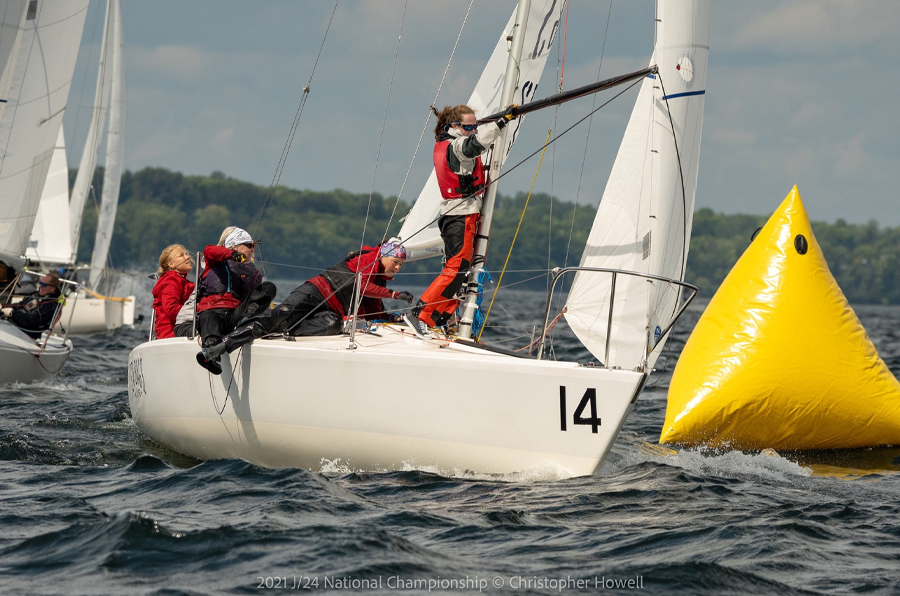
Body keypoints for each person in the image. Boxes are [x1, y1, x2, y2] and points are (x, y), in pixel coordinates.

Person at [196, 240, 415, 374]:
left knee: (334, 324)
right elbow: (361, 286)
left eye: (401, 265)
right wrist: (394, 294)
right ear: (384, 256)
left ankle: (283, 329)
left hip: (330, 308)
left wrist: (390, 318)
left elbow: (372, 310)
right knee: (281, 313)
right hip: (315, 291)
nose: (397, 267)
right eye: (395, 262)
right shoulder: (368, 259)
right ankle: (219, 348)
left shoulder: (380, 279)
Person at [414, 103, 516, 329]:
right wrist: (501, 122)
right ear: (454, 126)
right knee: (456, 268)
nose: (473, 130)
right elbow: (474, 145)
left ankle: (435, 320)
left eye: (475, 126)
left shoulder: (444, 143)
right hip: (461, 215)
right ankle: (420, 315)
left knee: (459, 271)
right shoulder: (457, 144)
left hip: (456, 214)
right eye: (469, 127)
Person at [195, 227, 276, 372]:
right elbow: (209, 250)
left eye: (254, 246)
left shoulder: (253, 272)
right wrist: (233, 255)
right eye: (249, 245)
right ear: (235, 246)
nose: (253, 249)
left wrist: (250, 269)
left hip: (236, 317)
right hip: (213, 311)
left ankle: (244, 324)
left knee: (269, 288)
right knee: (208, 316)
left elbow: (255, 297)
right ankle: (211, 354)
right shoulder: (214, 260)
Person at [151, 244, 195, 339]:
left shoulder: (185, 282)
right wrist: (196, 312)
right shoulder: (170, 281)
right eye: (181, 255)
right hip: (171, 335)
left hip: (183, 332)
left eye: (186, 254)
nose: (187, 257)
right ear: (171, 264)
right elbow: (171, 309)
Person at [4, 272, 63, 339]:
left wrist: (12, 313)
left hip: (28, 335)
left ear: (53, 289)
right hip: (14, 326)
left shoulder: (51, 305)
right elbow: (20, 305)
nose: (40, 286)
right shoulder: (35, 295)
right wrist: (5, 306)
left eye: (44, 285)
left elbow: (32, 320)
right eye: (40, 283)